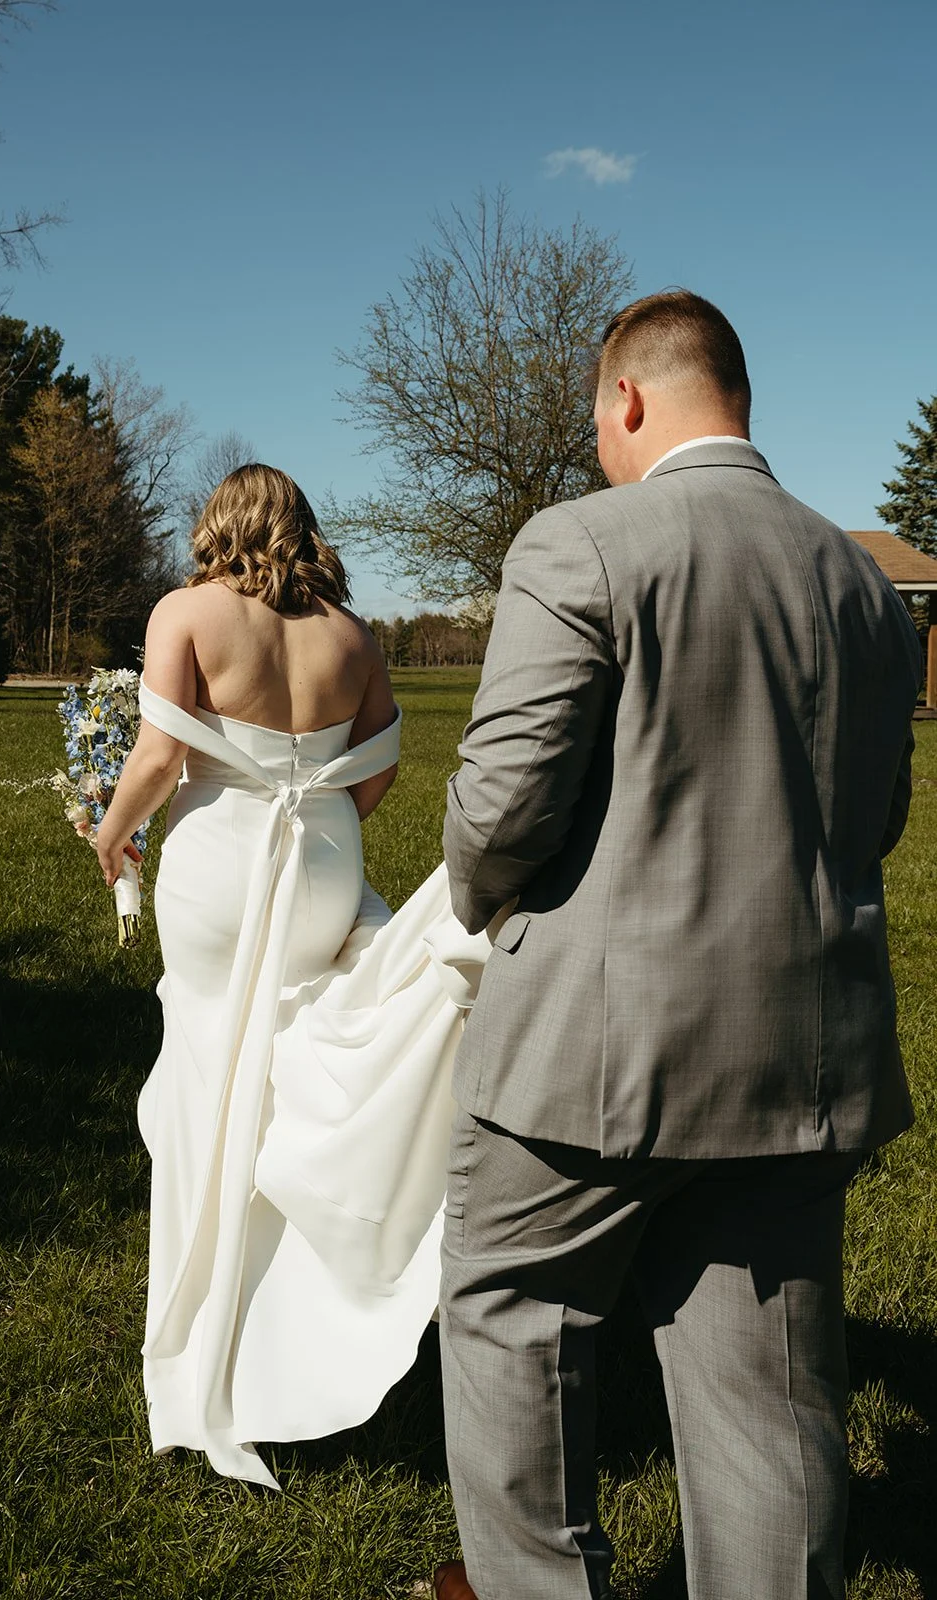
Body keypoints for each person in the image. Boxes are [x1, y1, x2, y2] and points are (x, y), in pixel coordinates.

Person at [435, 291, 921, 1600]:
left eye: (597, 421)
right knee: (766, 1406)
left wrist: (473, 897)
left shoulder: (580, 545)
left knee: (511, 1331)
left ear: (627, 401)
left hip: (586, 1070)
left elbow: (498, 809)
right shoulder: (868, 594)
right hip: (798, 1066)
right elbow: (872, 817)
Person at [94, 463, 488, 1489]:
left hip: (223, 868)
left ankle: (217, 1341)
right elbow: (384, 765)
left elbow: (155, 762)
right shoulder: (354, 637)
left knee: (210, 1080)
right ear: (304, 528)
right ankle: (291, 1311)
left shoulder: (187, 610)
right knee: (286, 1070)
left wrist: (110, 835)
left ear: (220, 526)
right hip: (322, 865)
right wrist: (322, 830)